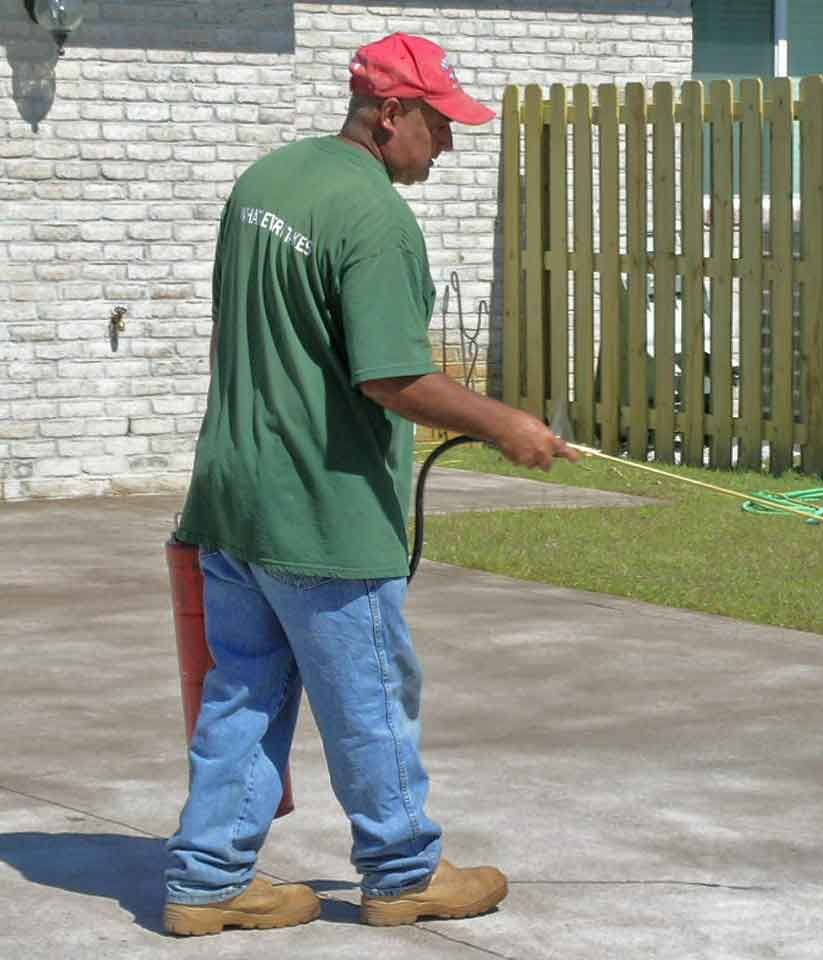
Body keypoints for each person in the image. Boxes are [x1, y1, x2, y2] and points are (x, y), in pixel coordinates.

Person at [162, 33, 576, 937]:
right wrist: (509, 425)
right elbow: (391, 378)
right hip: (323, 509)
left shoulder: (267, 181)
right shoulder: (377, 219)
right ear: (391, 114)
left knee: (246, 691)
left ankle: (207, 879)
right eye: (439, 124)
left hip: (232, 495)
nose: (450, 144)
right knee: (371, 700)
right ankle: (403, 870)